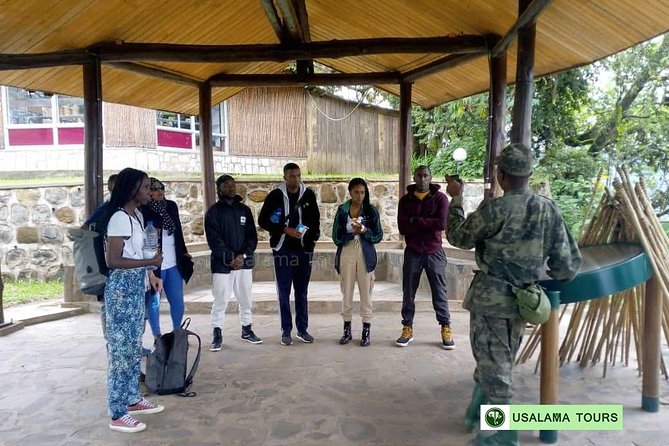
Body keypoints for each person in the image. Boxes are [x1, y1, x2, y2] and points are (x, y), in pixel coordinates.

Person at [445, 143, 582, 446]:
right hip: (524, 303)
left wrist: (455, 198)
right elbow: (567, 266)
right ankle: (475, 412)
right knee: (496, 363)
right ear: (529, 174)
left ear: (501, 175)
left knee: (496, 371)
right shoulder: (549, 209)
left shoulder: (495, 209)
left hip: (491, 303)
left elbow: (459, 237)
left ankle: (506, 437)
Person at [99, 167, 165, 433]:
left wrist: (150, 274)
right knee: (121, 351)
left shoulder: (136, 216)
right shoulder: (118, 218)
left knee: (133, 345)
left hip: (136, 286)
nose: (150, 191)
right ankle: (117, 412)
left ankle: (132, 398)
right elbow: (113, 260)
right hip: (121, 290)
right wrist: (151, 262)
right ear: (131, 190)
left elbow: (135, 251)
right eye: (146, 187)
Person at [259, 162, 320, 346]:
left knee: (302, 292)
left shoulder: (308, 194)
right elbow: (263, 220)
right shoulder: (276, 196)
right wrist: (285, 229)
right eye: (292, 176)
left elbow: (315, 220)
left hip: (303, 250)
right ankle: (286, 331)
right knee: (284, 292)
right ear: (285, 177)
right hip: (283, 249)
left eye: (298, 175)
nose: (296, 179)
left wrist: (310, 238)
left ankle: (302, 330)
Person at [396, 165, 454, 349]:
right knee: (408, 292)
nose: (422, 179)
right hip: (413, 251)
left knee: (439, 292)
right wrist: (426, 223)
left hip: (434, 251)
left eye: (425, 176)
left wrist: (416, 220)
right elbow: (403, 228)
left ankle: (446, 327)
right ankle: (407, 327)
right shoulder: (405, 201)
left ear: (431, 177)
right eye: (419, 176)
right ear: (414, 177)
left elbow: (442, 224)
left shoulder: (440, 199)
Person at [205, 174, 261, 351]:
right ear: (219, 188)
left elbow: (252, 237)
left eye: (233, 184)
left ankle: (247, 329)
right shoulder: (213, 212)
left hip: (243, 263)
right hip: (222, 265)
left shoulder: (244, 210)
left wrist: (242, 256)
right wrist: (230, 257)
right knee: (221, 299)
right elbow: (214, 240)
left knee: (245, 298)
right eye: (226, 185)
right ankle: (217, 332)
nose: (231, 187)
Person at [332, 178, 383, 346]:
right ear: (350, 192)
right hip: (347, 250)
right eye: (356, 192)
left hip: (365, 252)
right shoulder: (342, 210)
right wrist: (349, 233)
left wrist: (364, 230)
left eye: (363, 192)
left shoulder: (370, 211)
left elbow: (378, 235)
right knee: (346, 290)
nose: (360, 196)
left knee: (366, 292)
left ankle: (366, 330)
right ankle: (347, 330)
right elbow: (335, 237)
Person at [141, 178, 194, 339]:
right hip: (155, 263)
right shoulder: (143, 209)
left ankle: (177, 332)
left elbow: (178, 231)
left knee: (177, 299)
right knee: (154, 301)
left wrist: (184, 251)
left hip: (173, 260)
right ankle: (157, 336)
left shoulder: (170, 206)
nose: (159, 192)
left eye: (161, 188)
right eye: (155, 189)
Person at [83, 173, 118, 339]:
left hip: (109, 264)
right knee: (107, 303)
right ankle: (109, 340)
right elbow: (86, 227)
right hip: (105, 265)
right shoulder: (106, 209)